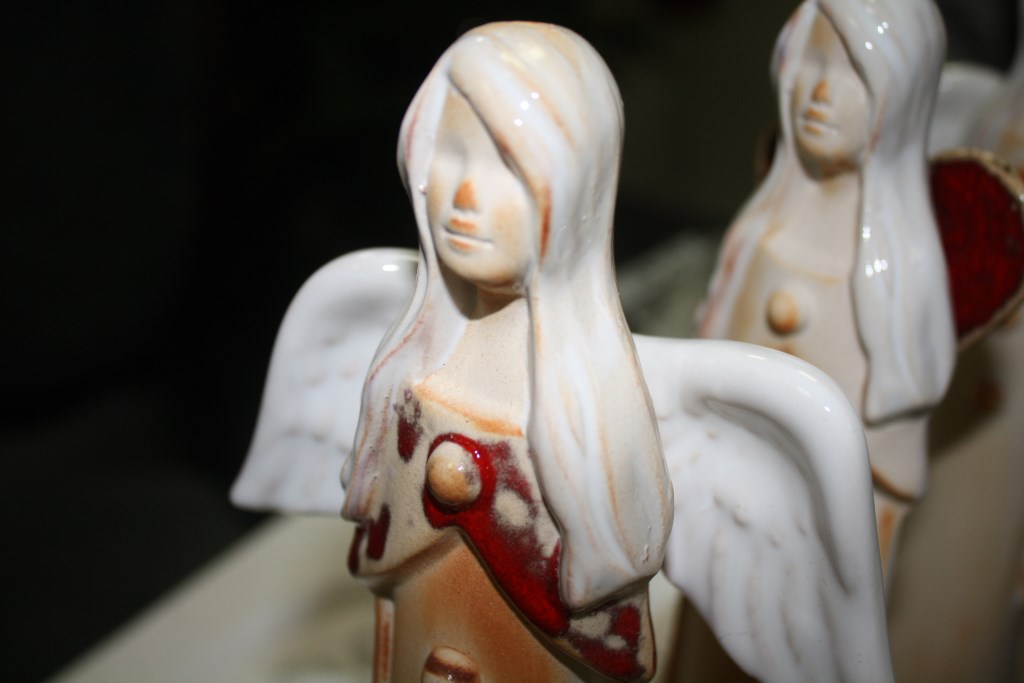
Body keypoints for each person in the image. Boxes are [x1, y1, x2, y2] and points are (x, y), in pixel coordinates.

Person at [340, 21, 673, 682]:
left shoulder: (594, 410)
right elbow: (381, 558)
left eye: (509, 167)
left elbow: (605, 599)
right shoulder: (406, 365)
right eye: (452, 153)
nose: (465, 197)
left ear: (575, 184)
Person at [698, 0, 956, 578]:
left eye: (854, 75)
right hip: (719, 509)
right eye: (813, 63)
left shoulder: (901, 275)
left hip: (819, 547)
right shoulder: (756, 233)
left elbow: (889, 460)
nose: (821, 93)